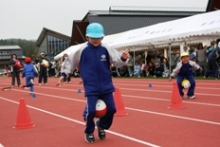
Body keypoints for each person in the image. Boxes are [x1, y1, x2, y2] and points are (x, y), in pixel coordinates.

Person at [62, 23, 130, 143]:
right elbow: (70, 61)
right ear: (87, 37)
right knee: (91, 111)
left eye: (98, 37)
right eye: (93, 37)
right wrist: (64, 74)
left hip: (106, 85)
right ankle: (89, 131)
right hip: (91, 86)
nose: (95, 40)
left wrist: (124, 58)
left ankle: (101, 125)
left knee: (112, 109)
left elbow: (118, 62)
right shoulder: (81, 49)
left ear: (102, 37)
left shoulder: (106, 48)